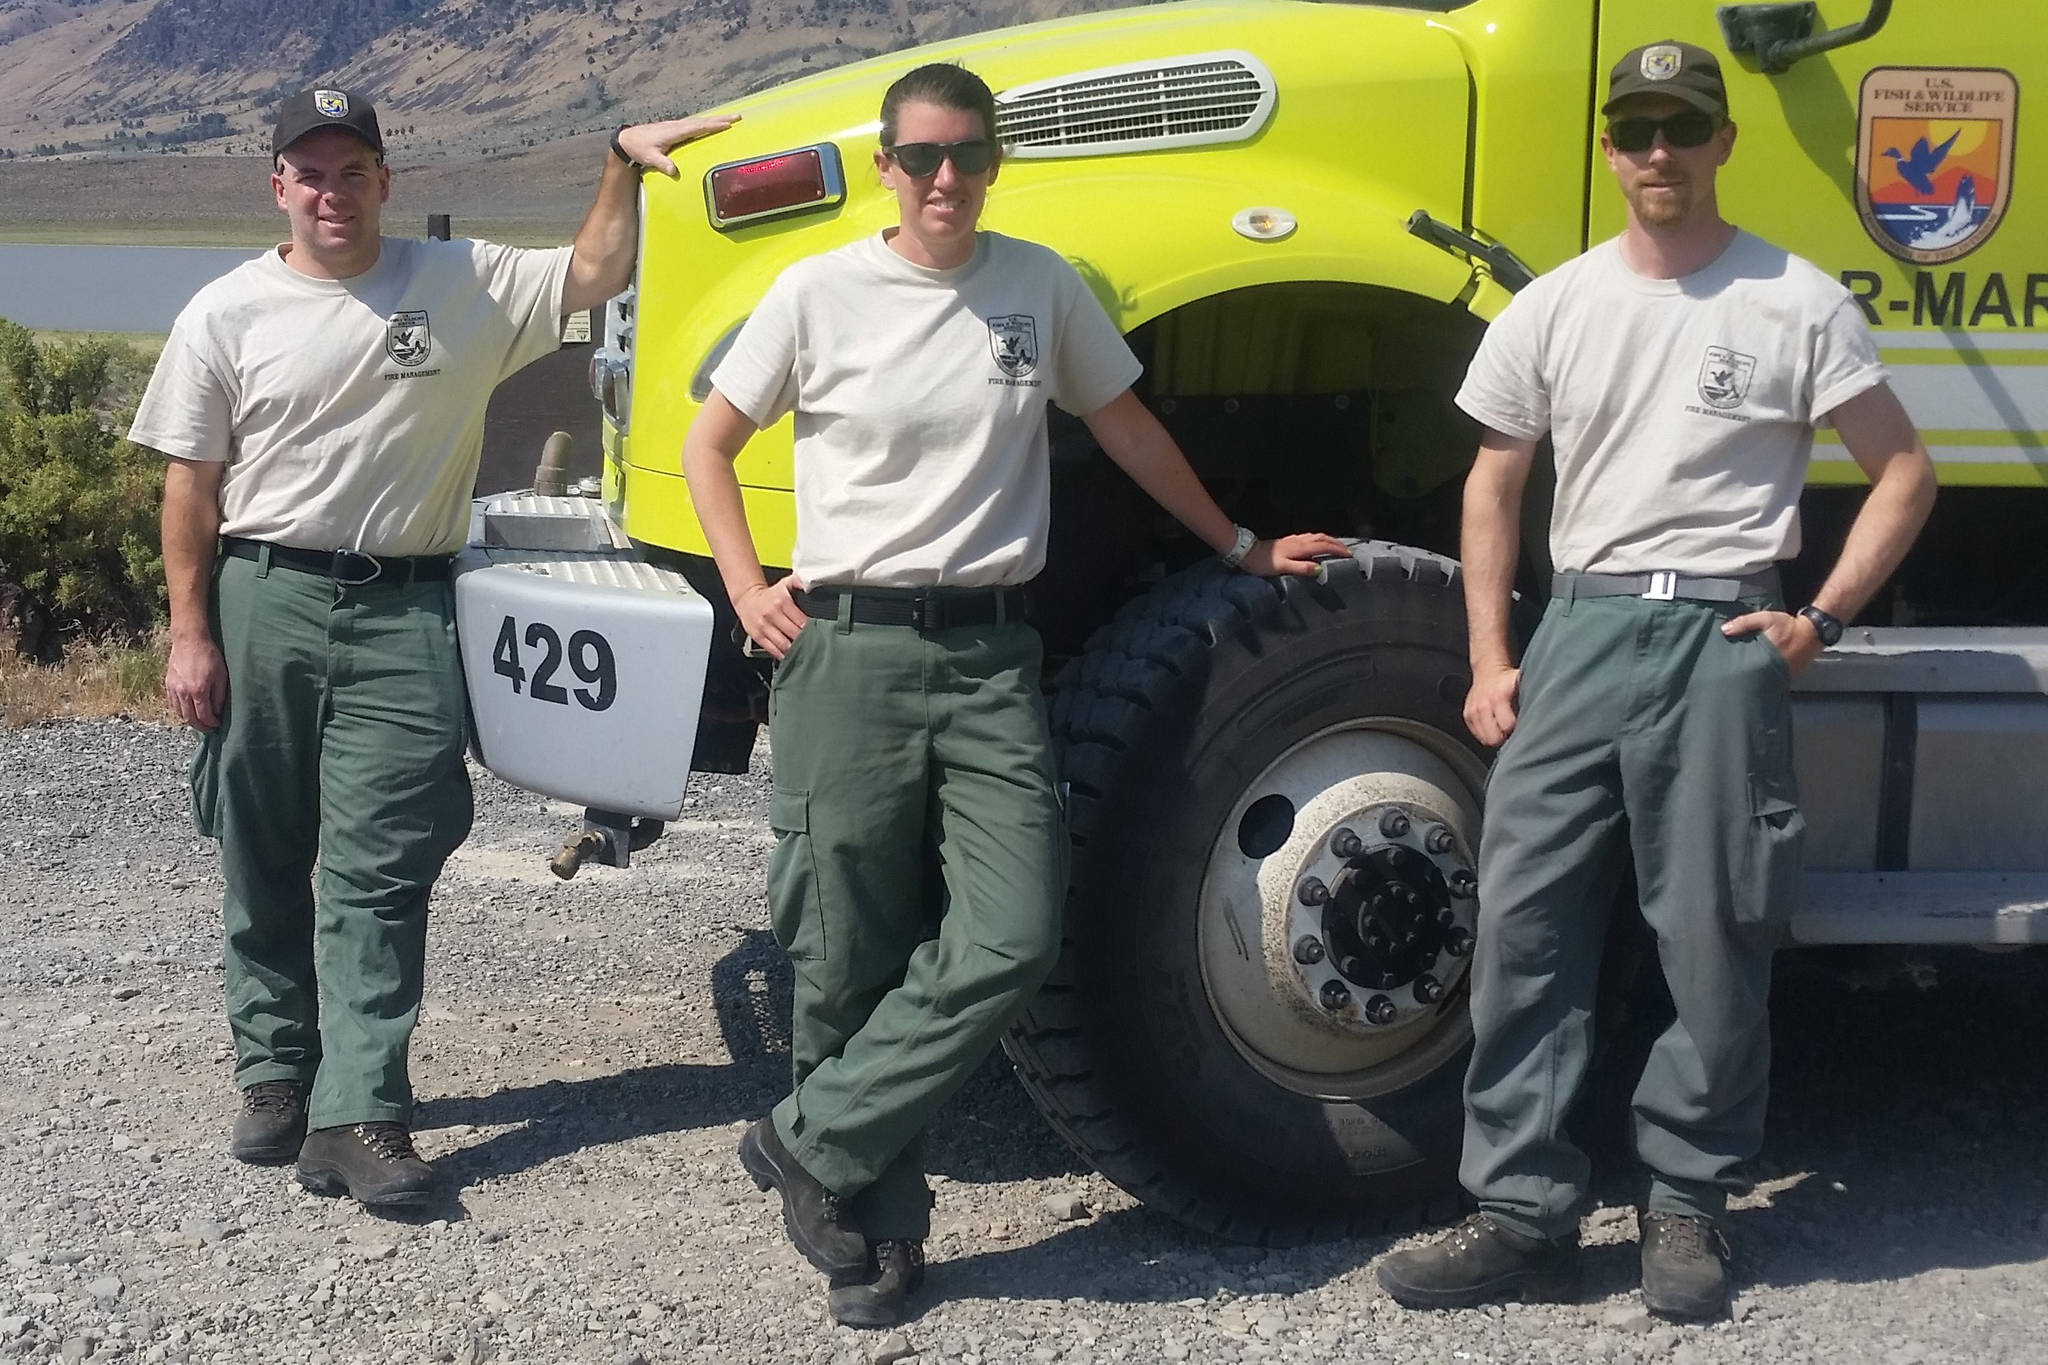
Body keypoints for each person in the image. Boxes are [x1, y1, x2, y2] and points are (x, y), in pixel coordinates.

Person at [680, 62, 1347, 1327]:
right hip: (849, 649)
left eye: (967, 156)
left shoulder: (1035, 285)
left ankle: (806, 1138)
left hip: (991, 656)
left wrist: (1237, 544)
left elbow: (1130, 423)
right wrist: (743, 585)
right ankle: (870, 1223)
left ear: (992, 164)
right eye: (923, 156)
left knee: (1013, 930)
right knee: (842, 946)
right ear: (885, 165)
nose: (946, 178)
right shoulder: (816, 291)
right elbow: (710, 441)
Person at [1375, 42, 1936, 1321]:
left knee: (1716, 935)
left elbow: (1902, 470)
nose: (1656, 152)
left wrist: (1819, 622)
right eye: (1633, 129)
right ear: (1610, 149)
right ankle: (1519, 1210)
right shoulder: (1555, 306)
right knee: (1523, 932)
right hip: (1577, 635)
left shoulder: (1794, 302)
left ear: (1721, 143)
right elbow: (1493, 484)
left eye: (1681, 129)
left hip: (1722, 641)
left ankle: (1684, 1205)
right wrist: (1487, 658)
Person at [130, 87, 736, 1208]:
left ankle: (360, 1111)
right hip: (263, 591)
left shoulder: (460, 283)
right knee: (260, 847)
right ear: (278, 186)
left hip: (407, 610)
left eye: (351, 170)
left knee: (384, 861)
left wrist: (618, 163)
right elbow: (190, 487)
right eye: (309, 173)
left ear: (383, 182)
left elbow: (594, 276)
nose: (331, 192)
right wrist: (190, 633)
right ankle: (276, 1074)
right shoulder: (226, 312)